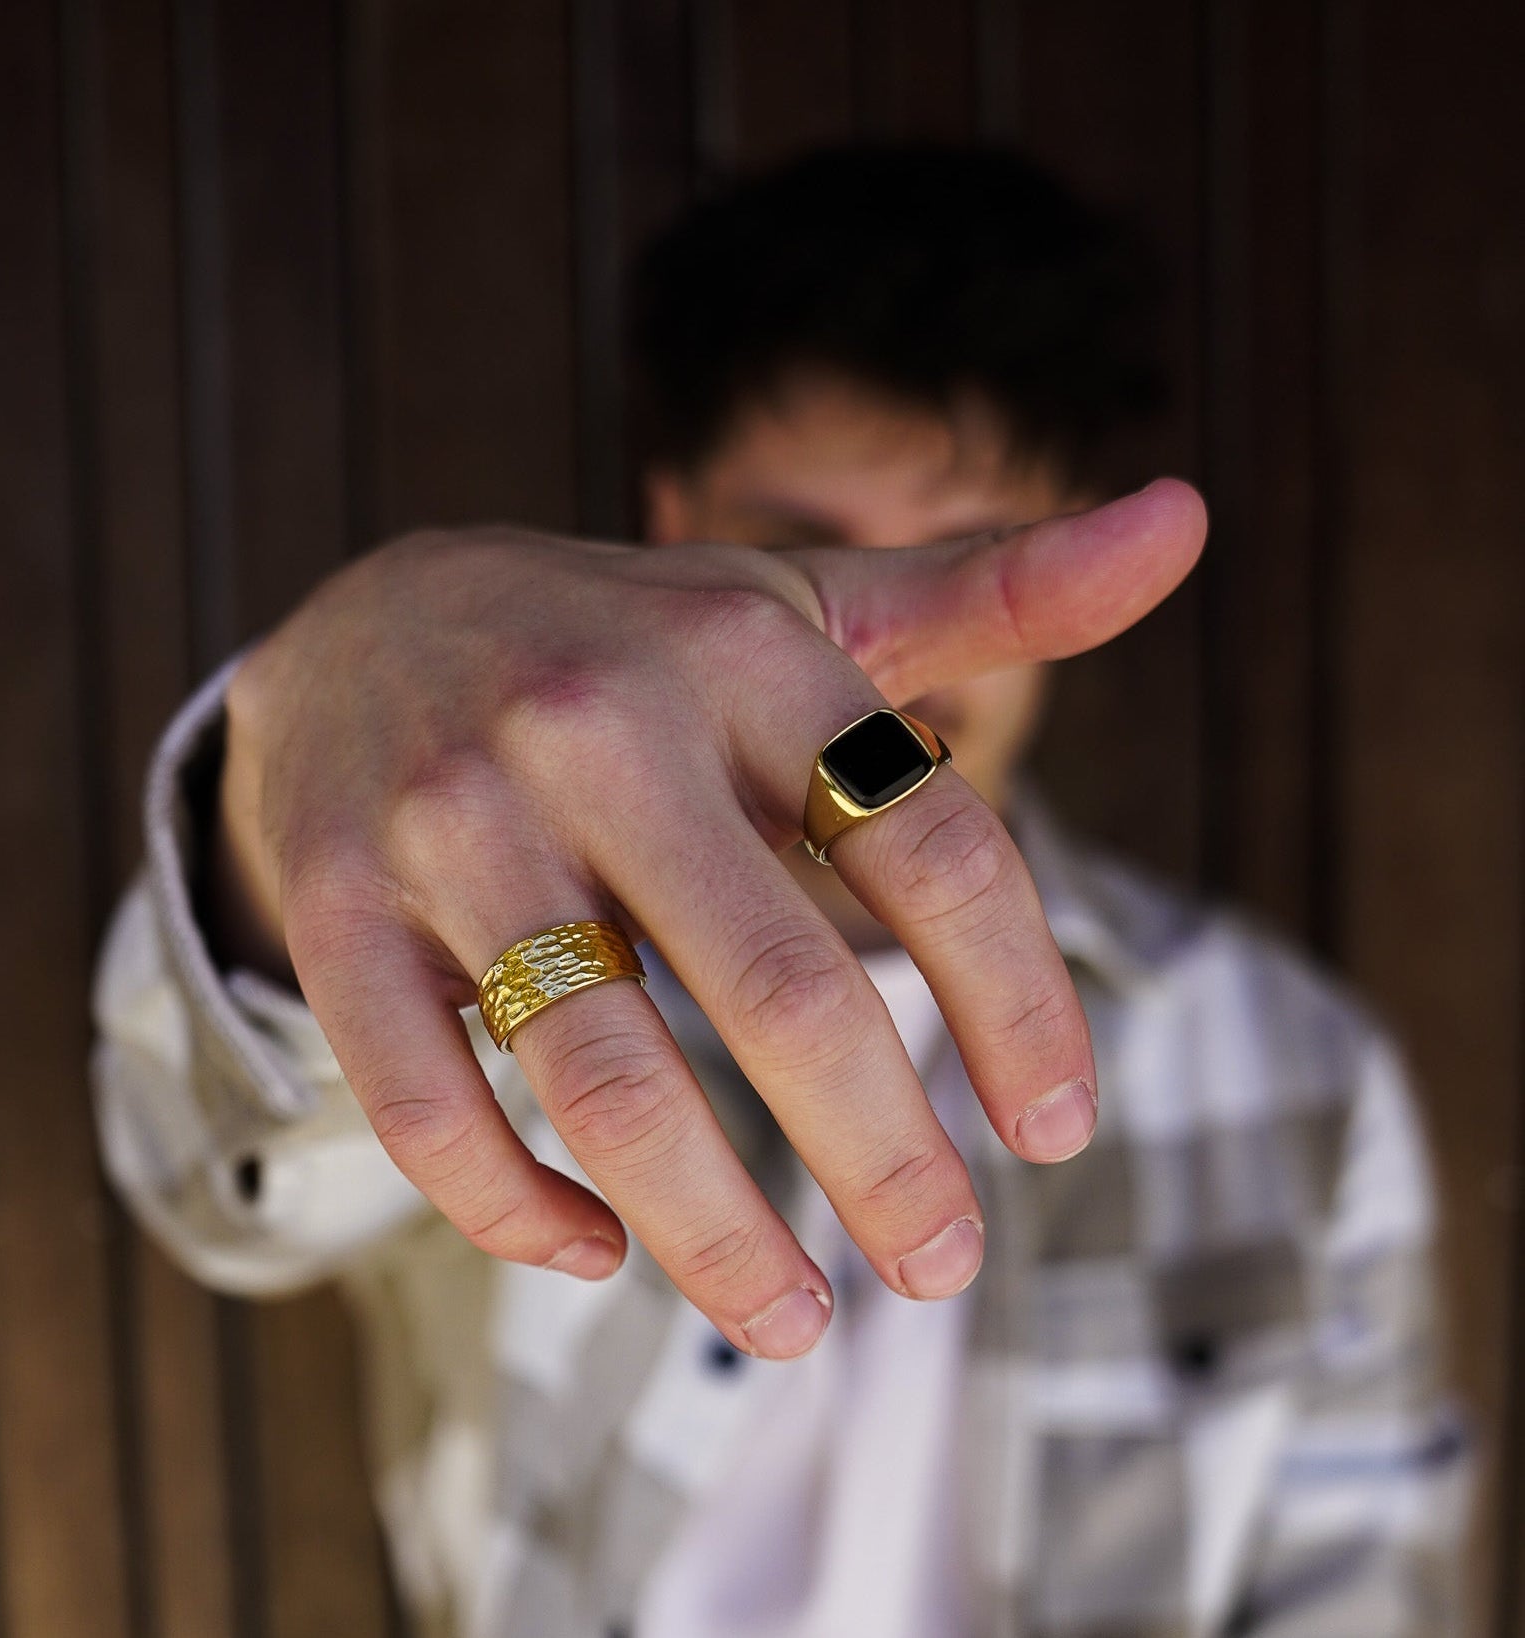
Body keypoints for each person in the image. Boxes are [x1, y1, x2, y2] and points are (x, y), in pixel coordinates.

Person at [90, 143, 1473, 1636]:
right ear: (675, 526)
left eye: (957, 554)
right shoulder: (494, 945)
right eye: (803, 554)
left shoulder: (1291, 1063)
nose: (863, 653)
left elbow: (1370, 1589)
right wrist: (301, 731)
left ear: (1067, 549)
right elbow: (209, 1170)